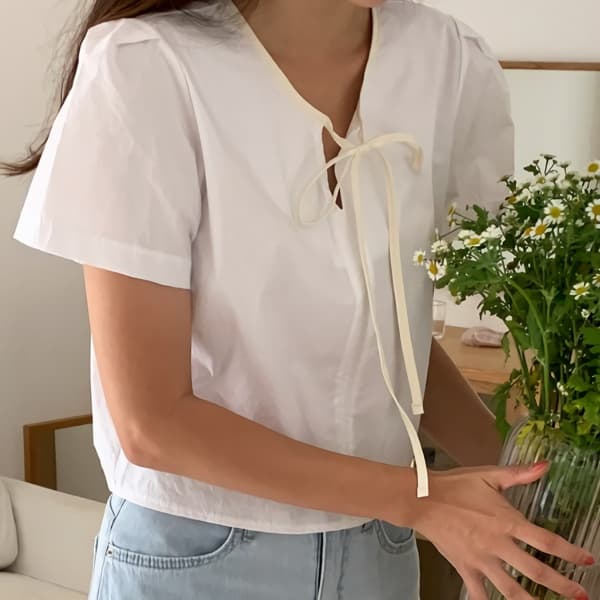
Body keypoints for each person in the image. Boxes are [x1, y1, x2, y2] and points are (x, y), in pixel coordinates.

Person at [3, 1, 594, 599]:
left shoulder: (447, 61)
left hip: (378, 551)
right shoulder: (149, 65)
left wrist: (550, 492)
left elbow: (393, 348)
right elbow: (151, 423)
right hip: (199, 557)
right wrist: (425, 499)